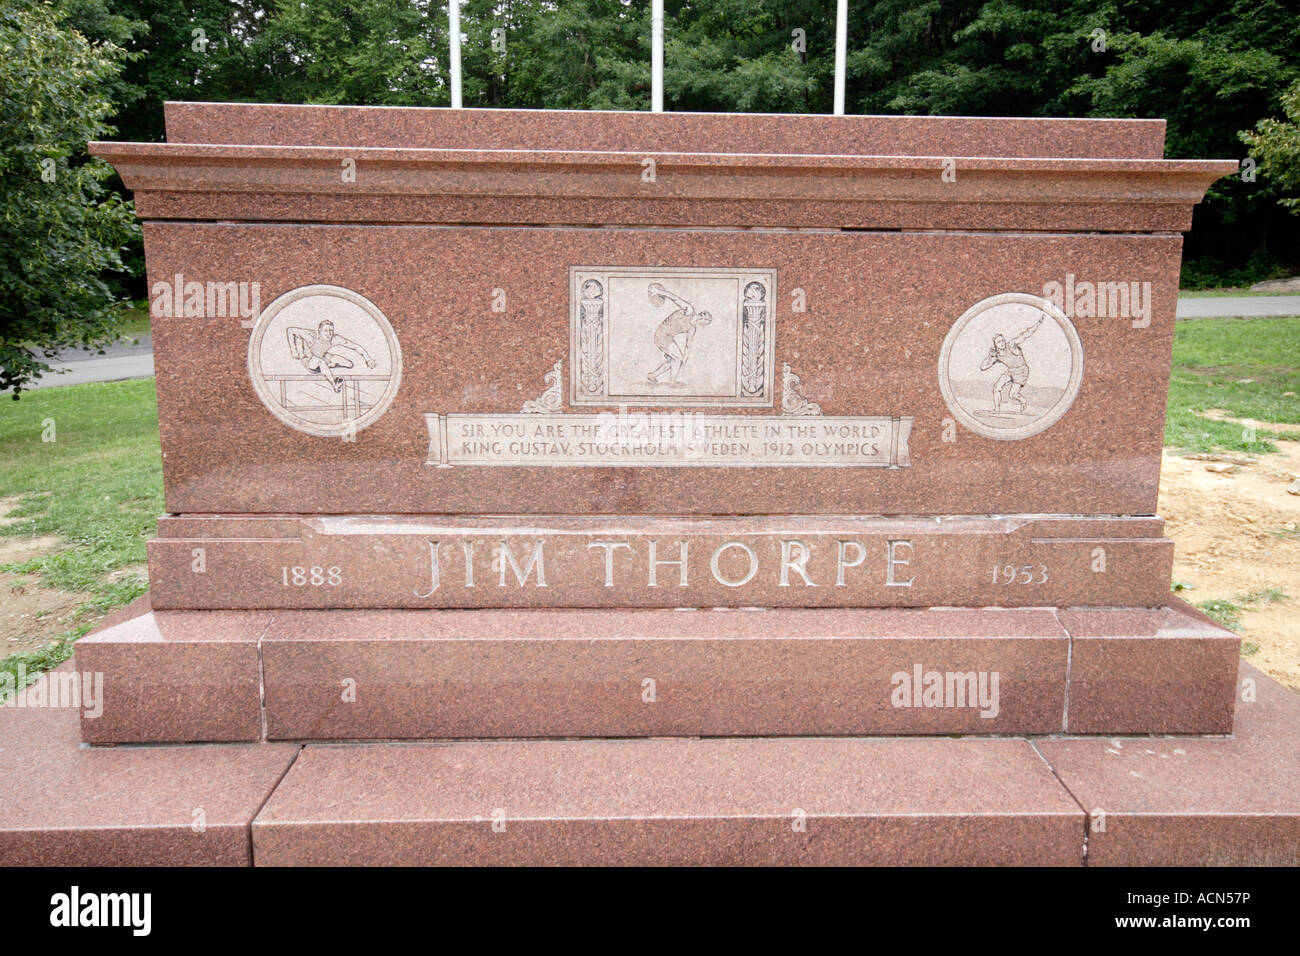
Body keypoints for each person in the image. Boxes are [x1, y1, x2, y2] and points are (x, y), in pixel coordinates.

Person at [646, 285, 712, 386]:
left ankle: (653, 375)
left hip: (668, 337)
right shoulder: (689, 310)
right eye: (707, 322)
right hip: (662, 333)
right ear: (703, 318)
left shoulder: (692, 329)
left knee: (675, 359)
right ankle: (672, 382)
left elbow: (688, 345)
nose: (705, 325)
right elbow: (675, 298)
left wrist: (685, 359)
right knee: (677, 359)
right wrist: (659, 291)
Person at [286, 319, 376, 392]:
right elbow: (290, 330)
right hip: (309, 361)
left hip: (323, 356)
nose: (329, 333)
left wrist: (368, 359)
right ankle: (334, 384)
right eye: (325, 331)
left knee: (349, 364)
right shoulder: (312, 336)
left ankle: (326, 367)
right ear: (319, 331)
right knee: (320, 361)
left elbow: (355, 346)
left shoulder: (335, 339)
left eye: (331, 331)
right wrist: (294, 351)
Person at [980, 313, 1044, 414]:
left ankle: (1022, 400)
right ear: (995, 345)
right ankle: (997, 410)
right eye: (999, 342)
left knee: (1012, 395)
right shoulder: (997, 355)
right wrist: (990, 356)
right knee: (997, 387)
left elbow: (1025, 335)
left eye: (1002, 340)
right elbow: (983, 367)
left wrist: (1038, 324)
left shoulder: (1012, 345)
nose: (1002, 343)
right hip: (1011, 371)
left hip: (1022, 371)